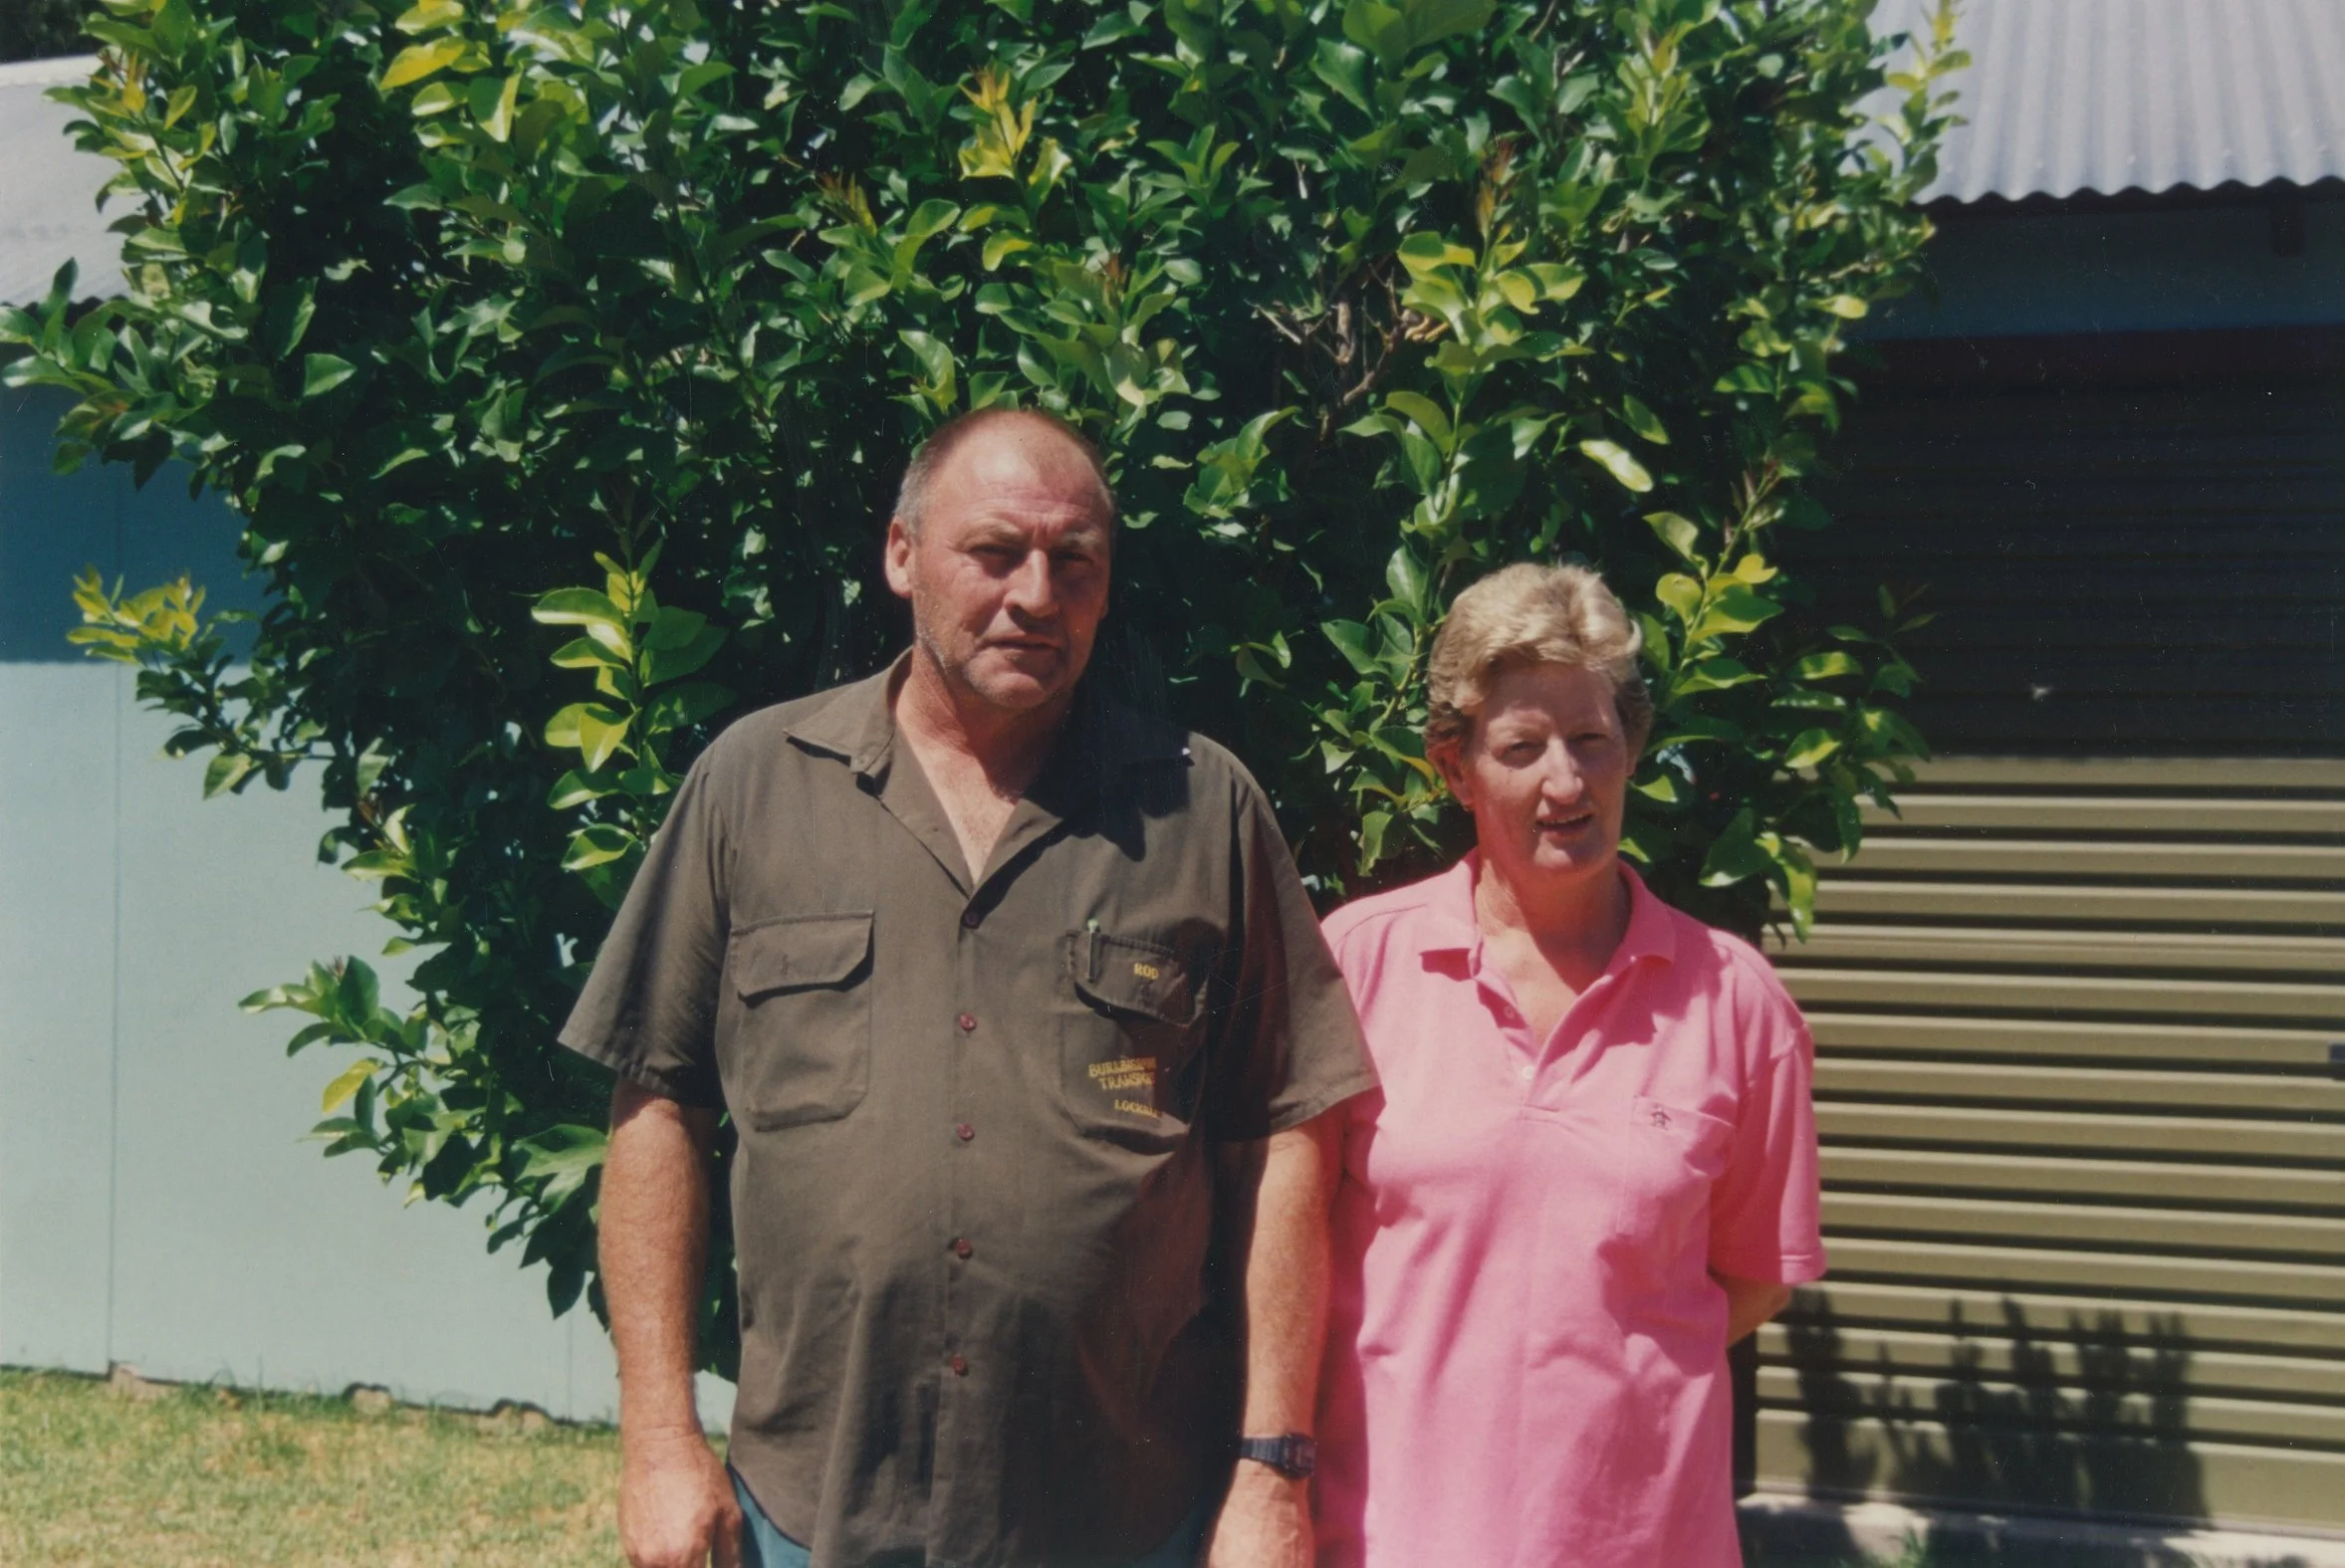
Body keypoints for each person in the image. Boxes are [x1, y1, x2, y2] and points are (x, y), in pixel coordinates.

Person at [561, 407, 1374, 1568]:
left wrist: (1270, 1471)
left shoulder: (1203, 809)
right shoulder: (756, 786)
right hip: (809, 1513)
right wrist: (656, 1438)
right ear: (902, 556)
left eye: (1075, 563)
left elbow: (1284, 1140)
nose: (1036, 596)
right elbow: (656, 1111)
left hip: (1125, 1520)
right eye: (995, 552)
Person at [1310, 562, 1825, 1568]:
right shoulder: (1355, 964)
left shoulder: (1735, 1000)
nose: (1566, 781)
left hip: (1640, 1539)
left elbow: (1752, 1278)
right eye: (1521, 747)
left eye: (1593, 739)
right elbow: (1284, 1254)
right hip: (1388, 1536)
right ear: (1453, 769)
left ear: (1631, 747)